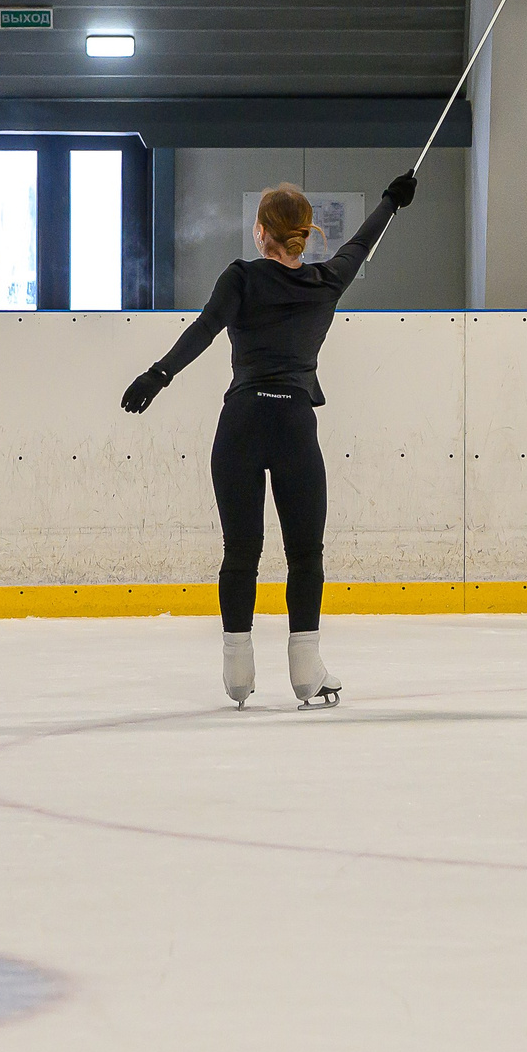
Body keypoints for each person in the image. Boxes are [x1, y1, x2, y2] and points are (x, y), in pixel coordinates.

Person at [120, 171, 416, 708]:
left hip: (241, 425)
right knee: (305, 554)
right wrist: (391, 201)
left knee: (240, 550)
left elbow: (205, 328)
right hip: (294, 427)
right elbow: (361, 242)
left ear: (261, 233)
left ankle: (237, 672)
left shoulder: (241, 277)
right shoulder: (327, 281)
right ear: (304, 233)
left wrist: (158, 375)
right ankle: (306, 672)